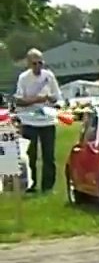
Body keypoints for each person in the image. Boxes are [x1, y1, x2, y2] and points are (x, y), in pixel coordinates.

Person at [12, 48, 60, 193]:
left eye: (40, 63)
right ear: (29, 63)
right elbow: (19, 100)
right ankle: (31, 184)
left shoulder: (49, 76)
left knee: (49, 156)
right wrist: (36, 100)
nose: (38, 66)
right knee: (30, 155)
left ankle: (48, 186)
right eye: (34, 63)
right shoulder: (23, 78)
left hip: (47, 120)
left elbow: (56, 96)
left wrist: (50, 98)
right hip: (29, 120)